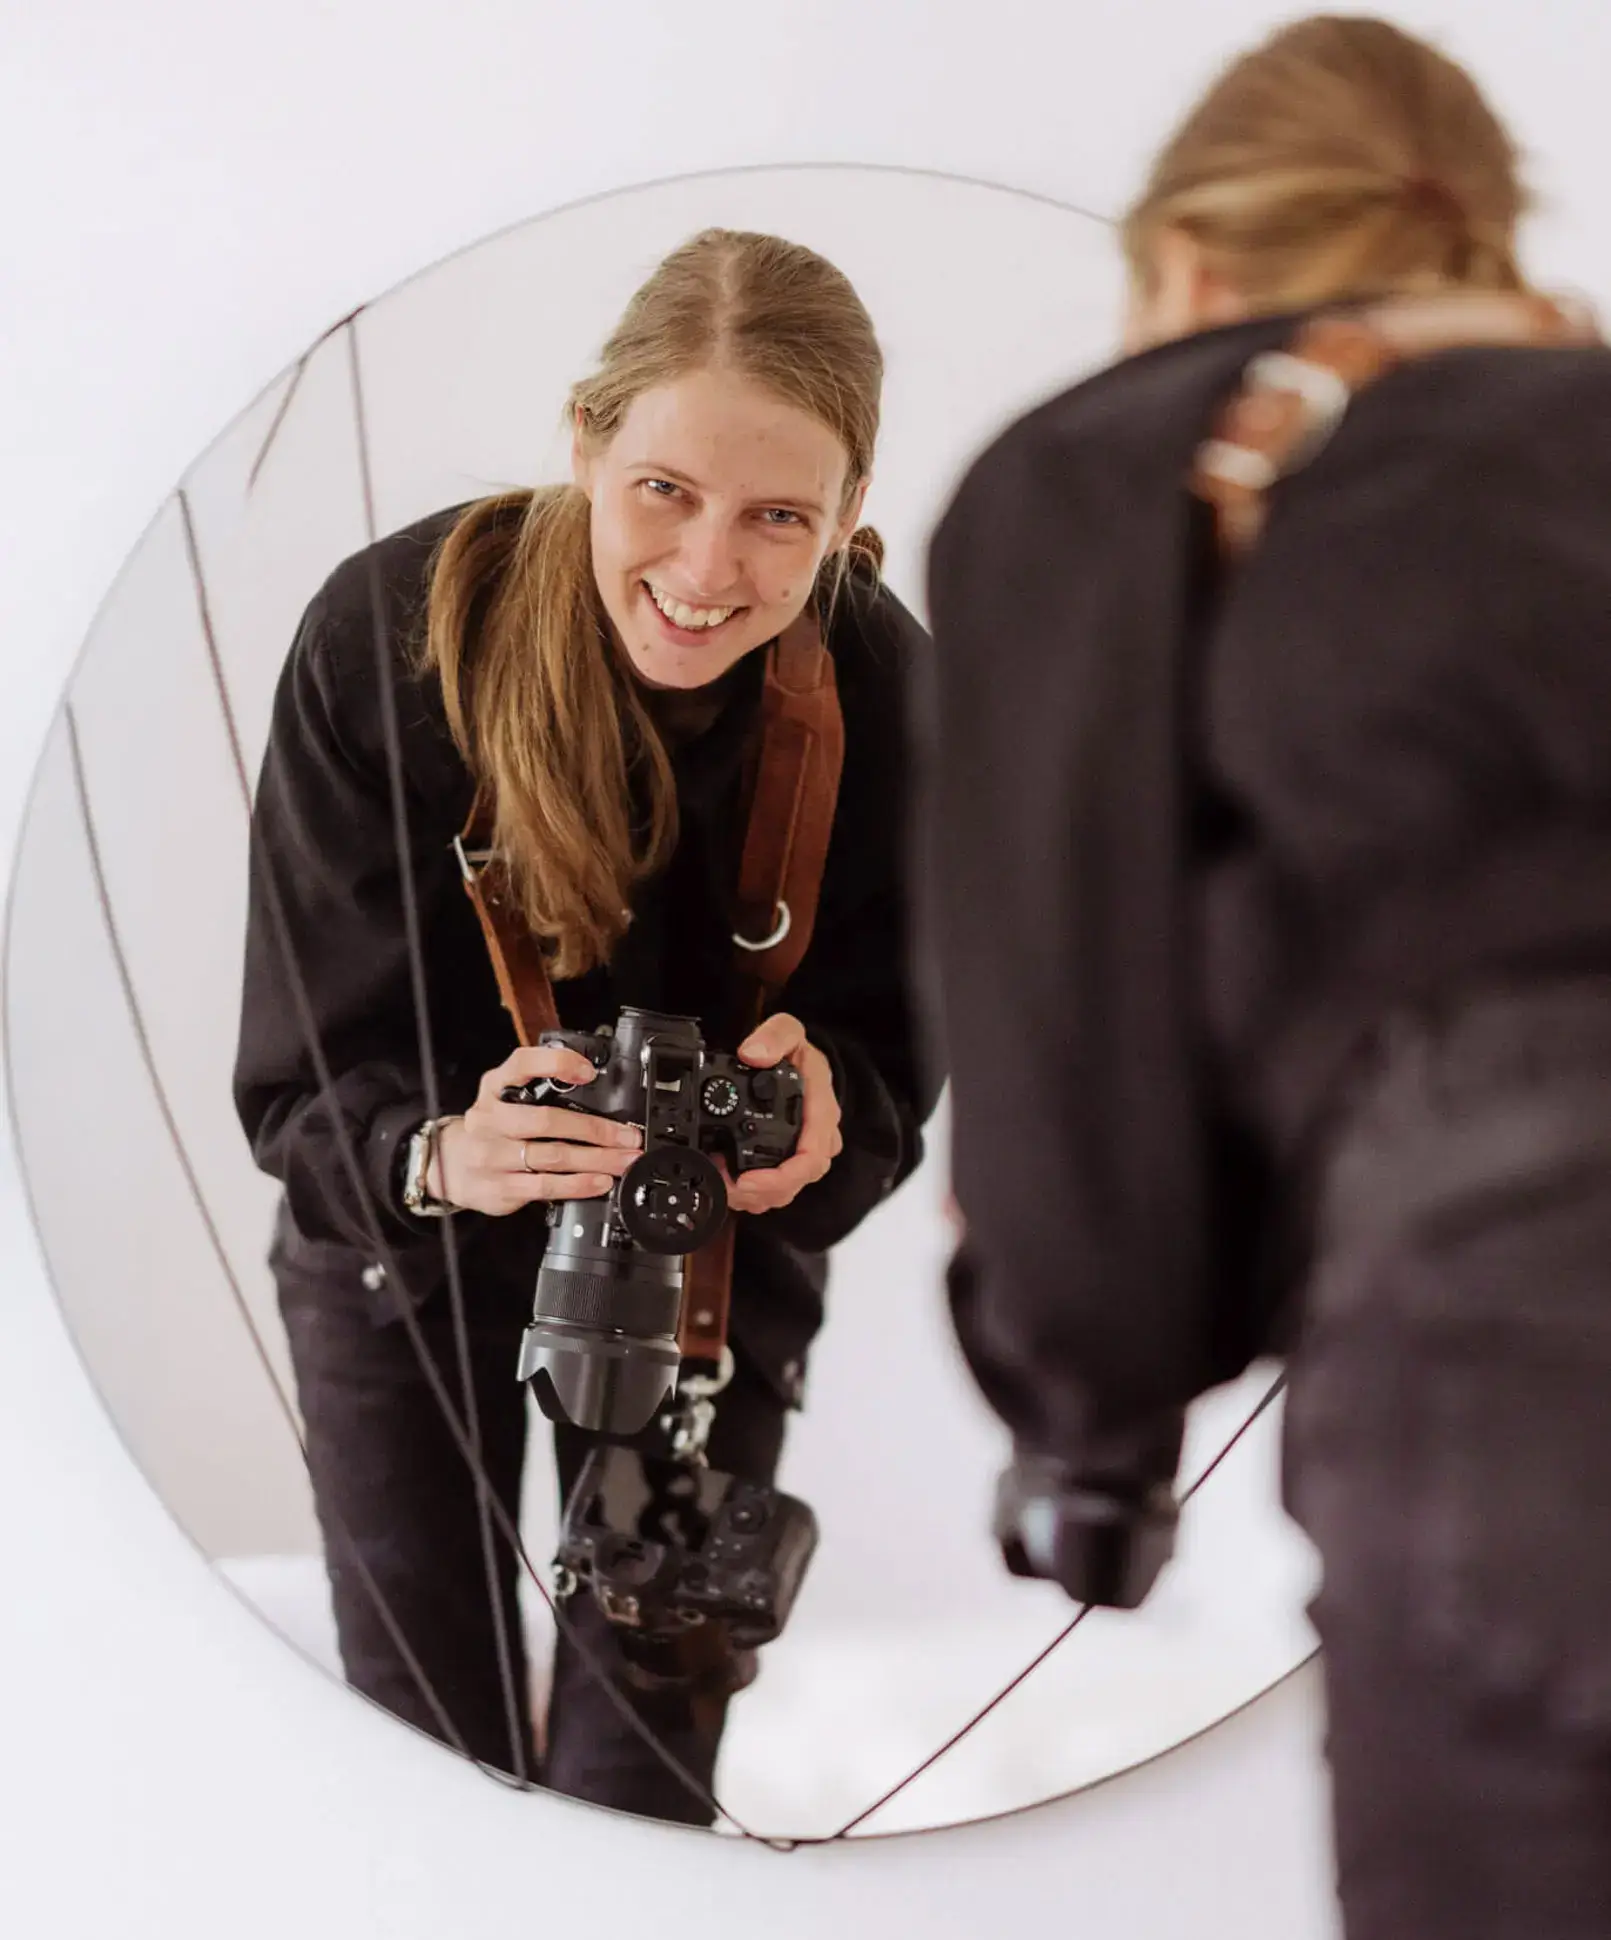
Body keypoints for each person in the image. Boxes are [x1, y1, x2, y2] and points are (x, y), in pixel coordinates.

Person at [922, 15, 1611, 1936]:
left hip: (1541, 1331)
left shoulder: (1123, 457)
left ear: (1187, 269)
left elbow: (1075, 1134)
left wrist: (1084, 1417)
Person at [232, 227, 937, 1826]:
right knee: (433, 1765)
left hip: (709, 1269)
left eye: (778, 518)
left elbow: (889, 1071)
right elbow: (299, 1081)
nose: (706, 571)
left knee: (641, 1793)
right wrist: (441, 1154)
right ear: (582, 444)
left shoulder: (887, 699)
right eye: (664, 490)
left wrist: (826, 1125)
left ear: (847, 516)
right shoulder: (391, 638)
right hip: (407, 1259)